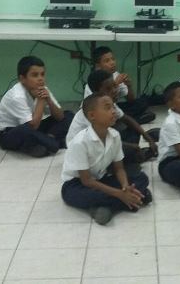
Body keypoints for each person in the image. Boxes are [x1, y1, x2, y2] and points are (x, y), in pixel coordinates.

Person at [61, 93, 152, 225]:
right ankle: (130, 200)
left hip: (100, 179)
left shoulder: (115, 136)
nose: (113, 111)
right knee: (82, 195)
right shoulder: (80, 142)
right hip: (76, 185)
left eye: (113, 107)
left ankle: (107, 206)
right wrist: (119, 194)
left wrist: (125, 187)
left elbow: (119, 169)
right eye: (107, 108)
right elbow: (87, 181)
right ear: (92, 115)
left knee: (142, 178)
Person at [68, 70, 158, 164]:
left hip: (102, 141)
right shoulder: (92, 108)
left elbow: (126, 119)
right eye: (108, 89)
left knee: (133, 130)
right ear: (96, 92)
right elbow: (101, 140)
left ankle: (132, 157)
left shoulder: (107, 102)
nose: (114, 90)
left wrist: (148, 138)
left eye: (115, 86)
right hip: (86, 150)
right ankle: (130, 159)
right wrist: (132, 147)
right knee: (126, 149)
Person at [0, 56, 73, 157]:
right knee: (28, 130)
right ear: (22, 79)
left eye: (42, 74)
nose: (40, 79)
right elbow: (32, 126)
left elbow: (60, 117)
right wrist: (41, 100)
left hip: (33, 127)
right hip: (10, 133)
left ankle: (45, 141)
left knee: (68, 115)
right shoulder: (17, 96)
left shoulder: (43, 89)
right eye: (35, 75)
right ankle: (48, 142)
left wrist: (48, 100)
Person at [85, 46, 154, 124]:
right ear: (98, 66)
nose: (112, 63)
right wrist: (116, 84)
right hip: (100, 109)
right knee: (112, 112)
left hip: (114, 107)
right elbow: (102, 102)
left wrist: (129, 86)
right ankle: (131, 120)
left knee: (142, 102)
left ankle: (124, 120)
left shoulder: (116, 74)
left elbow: (131, 100)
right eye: (107, 61)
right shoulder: (94, 80)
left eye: (113, 59)